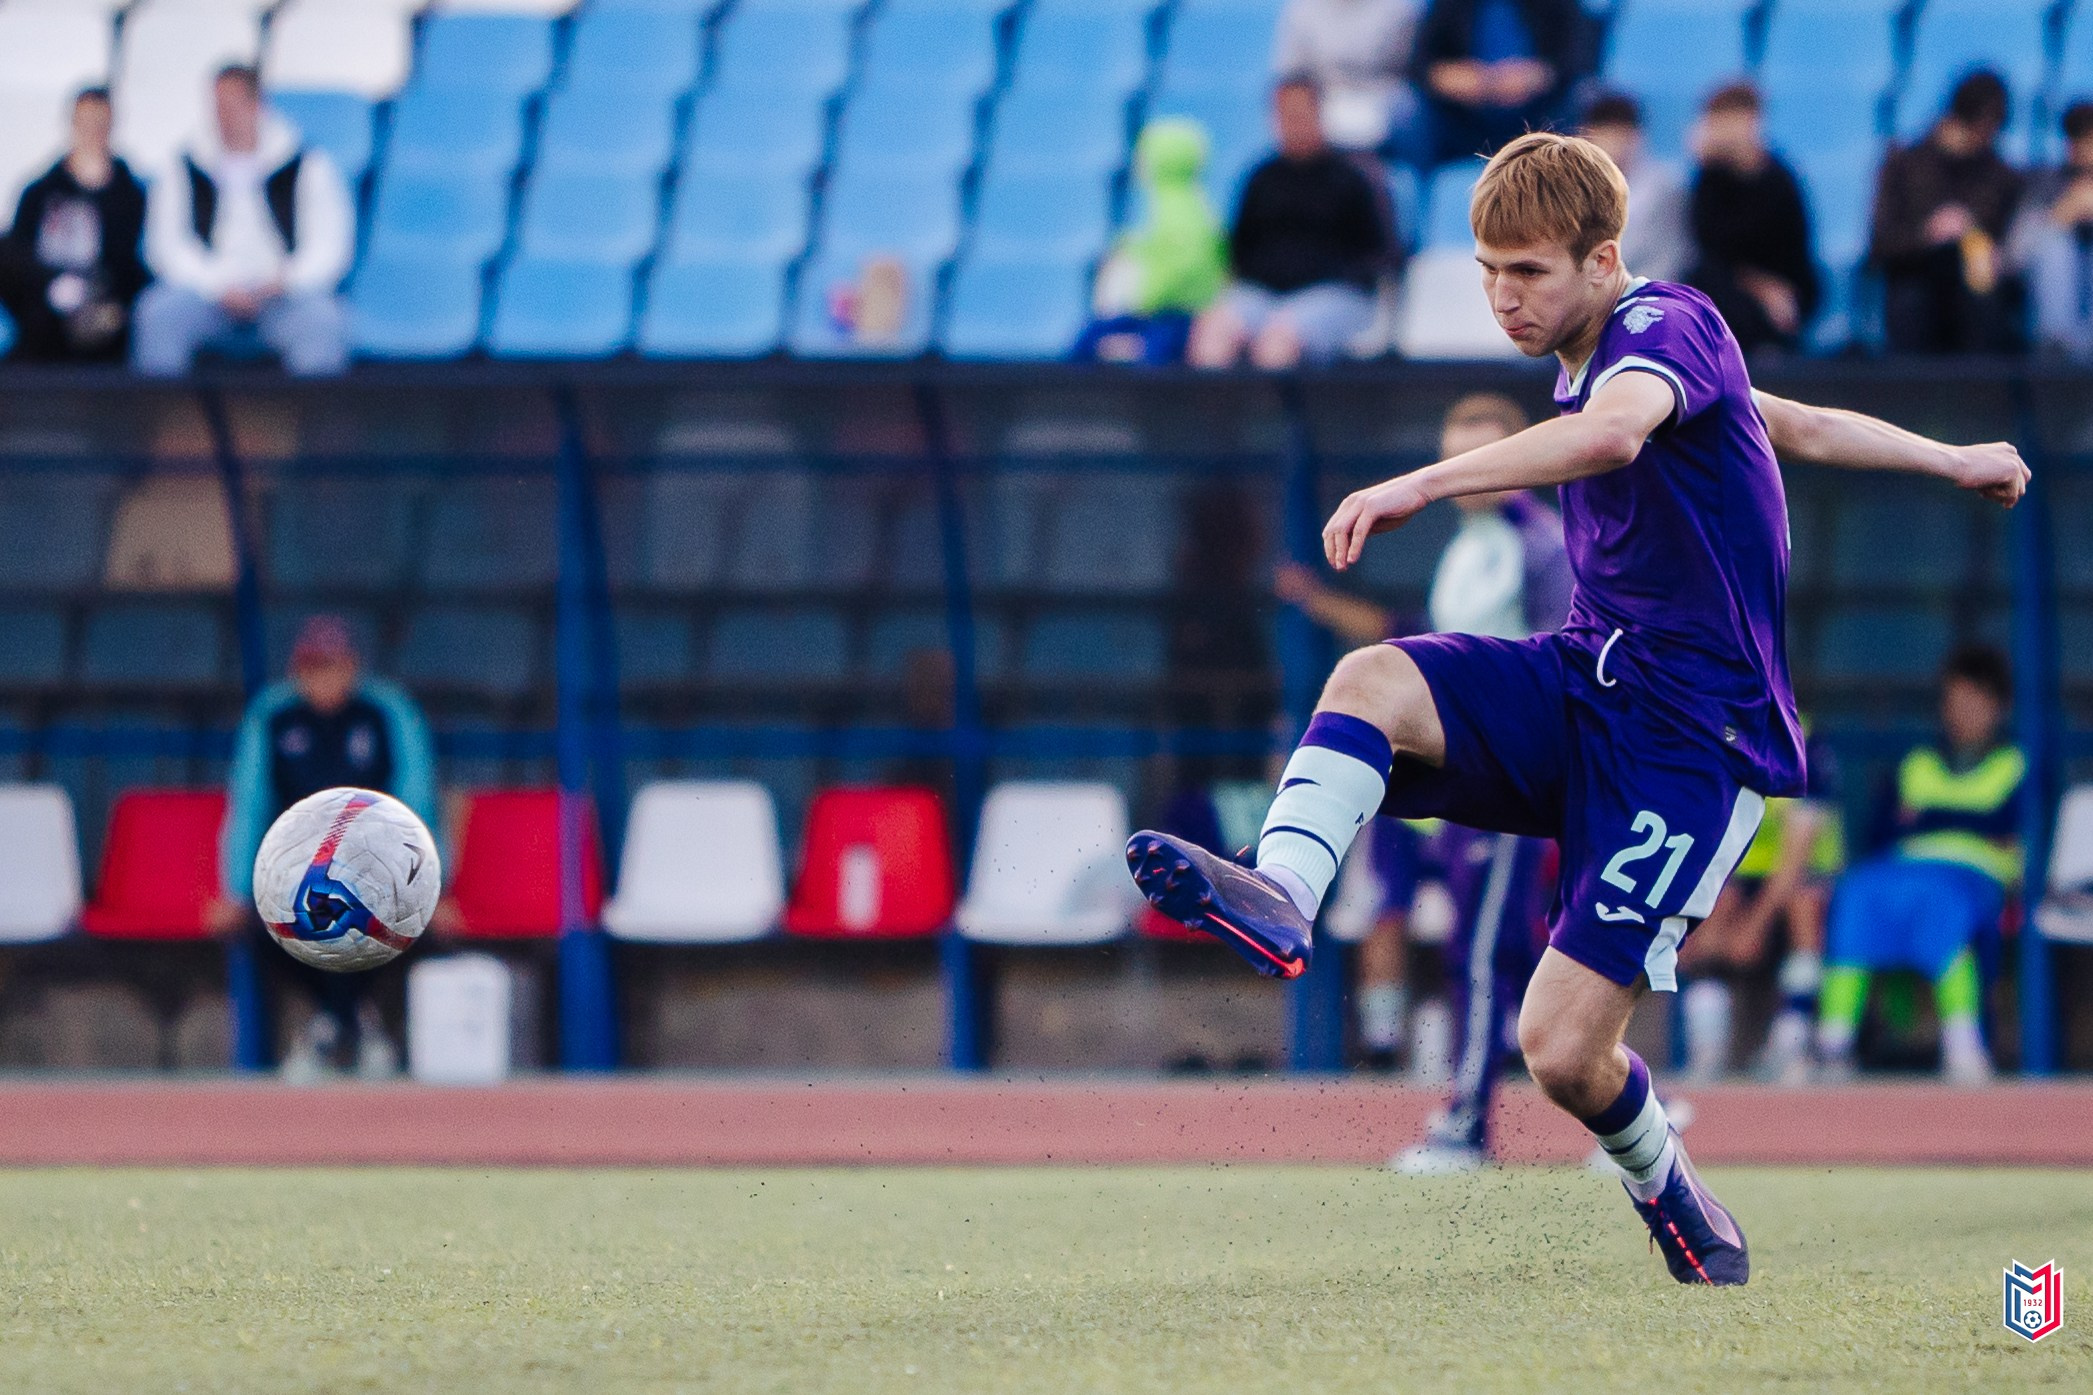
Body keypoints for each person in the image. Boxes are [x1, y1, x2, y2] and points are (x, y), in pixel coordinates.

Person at [1127, 131, 2028, 1285]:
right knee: (1368, 682)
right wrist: (1951, 459)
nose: (1502, 298)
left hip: (1690, 742)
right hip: (1583, 676)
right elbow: (1780, 420)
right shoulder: (1600, 348)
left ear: (1602, 261)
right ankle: (1282, 895)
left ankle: (1663, 1181)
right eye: (1487, 271)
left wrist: (1420, 480)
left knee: (1556, 1053)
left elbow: (1611, 433)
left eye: (1527, 273)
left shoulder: (1665, 324)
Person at [1276, 390, 1571, 1105]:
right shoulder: (1468, 547)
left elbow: (1561, 662)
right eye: (1453, 456)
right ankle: (1630, 1102)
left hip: (1510, 778)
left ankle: (1465, 1121)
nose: (1463, 471)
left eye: (1480, 456)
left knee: (1480, 950)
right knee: (1513, 949)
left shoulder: (1542, 543)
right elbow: (1418, 637)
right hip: (1458, 779)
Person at [212, 616, 439, 1082]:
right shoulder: (274, 717)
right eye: (315, 668)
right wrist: (235, 889)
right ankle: (354, 1023)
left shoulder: (386, 713)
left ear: (354, 667)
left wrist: (436, 878)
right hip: (300, 872)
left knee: (386, 915)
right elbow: (250, 804)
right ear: (298, 671)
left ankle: (329, 1027)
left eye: (334, 667)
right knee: (268, 920)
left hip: (378, 867)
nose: (326, 680)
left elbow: (418, 801)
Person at [1816, 646, 2023, 1085]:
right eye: (1954, 702)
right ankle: (1832, 1043)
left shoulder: (2014, 765)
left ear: (1998, 706)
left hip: (1973, 879)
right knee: (1856, 890)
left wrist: (1929, 816)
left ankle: (1963, 1043)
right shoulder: (1918, 762)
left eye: (1974, 702)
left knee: (1941, 899)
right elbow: (1883, 831)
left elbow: (2011, 831)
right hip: (1901, 871)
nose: (1961, 713)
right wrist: (1968, 820)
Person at [133, 64, 352, 376]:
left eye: (233, 107)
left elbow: (330, 244)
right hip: (208, 296)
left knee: (324, 321)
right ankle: (168, 422)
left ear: (257, 105)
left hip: (281, 297)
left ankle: (312, 423)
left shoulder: (309, 164)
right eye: (219, 107)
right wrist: (217, 284)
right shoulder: (183, 165)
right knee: (157, 314)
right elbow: (165, 244)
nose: (224, 118)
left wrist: (285, 280)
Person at [1674, 723, 1842, 1085]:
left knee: (1804, 905)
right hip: (1736, 881)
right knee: (1708, 913)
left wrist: (1755, 924)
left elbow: (1798, 852)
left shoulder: (1804, 742)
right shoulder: (1714, 731)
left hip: (1798, 880)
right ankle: (1707, 1052)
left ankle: (1792, 1043)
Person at [1189, 78, 1391, 370]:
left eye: (1300, 112)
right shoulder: (1260, 178)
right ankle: (1210, 415)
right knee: (1214, 331)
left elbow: (1378, 253)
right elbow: (1239, 249)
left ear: (1318, 112)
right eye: (1284, 114)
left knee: (1278, 342)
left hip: (1333, 295)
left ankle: (1276, 416)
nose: (1293, 122)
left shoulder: (1354, 178)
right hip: (1262, 294)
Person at [1869, 69, 2024, 355]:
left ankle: (1985, 394)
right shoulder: (1904, 165)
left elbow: (2010, 245)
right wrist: (1930, 233)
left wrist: (1979, 238)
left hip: (1976, 287)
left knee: (1984, 297)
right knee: (1911, 300)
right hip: (1915, 276)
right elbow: (1879, 246)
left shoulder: (2000, 176)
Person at [0, 88, 149, 363]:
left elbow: (135, 264)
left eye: (100, 123)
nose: (92, 132)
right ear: (71, 124)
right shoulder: (38, 193)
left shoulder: (132, 196)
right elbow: (18, 256)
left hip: (106, 310)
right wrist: (53, 285)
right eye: (85, 122)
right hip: (41, 312)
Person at [1078, 118, 1228, 365]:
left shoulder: (1181, 211)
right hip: (1158, 312)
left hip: (1176, 316)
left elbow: (1184, 269)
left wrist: (1144, 300)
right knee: (1091, 336)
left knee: (1145, 356)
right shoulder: (1165, 206)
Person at [1684, 81, 1819, 356]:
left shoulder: (1781, 179)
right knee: (1703, 281)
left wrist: (1775, 290)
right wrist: (1760, 288)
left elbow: (1792, 248)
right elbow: (1711, 245)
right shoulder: (1710, 179)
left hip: (1786, 282)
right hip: (1734, 283)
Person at [1411, 0, 1582, 167]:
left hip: (1542, 115)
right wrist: (1456, 79)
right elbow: (1421, 65)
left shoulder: (1558, 5)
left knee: (1583, 98)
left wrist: (1535, 77)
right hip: (1462, 120)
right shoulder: (1449, 5)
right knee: (1409, 109)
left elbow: (1577, 57)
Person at [1274, 0, 1424, 159]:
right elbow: (1290, 76)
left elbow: (1413, 69)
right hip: (1325, 100)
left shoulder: (1401, 8)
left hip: (1384, 99)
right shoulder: (1302, 9)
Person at [1578, 90, 1690, 285]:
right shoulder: (1572, 187)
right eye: (1607, 133)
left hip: (1649, 288)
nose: (1615, 143)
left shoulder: (1666, 187)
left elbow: (1671, 255)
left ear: (1638, 136)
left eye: (1621, 133)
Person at [2009, 100, 2093, 359]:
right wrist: (2059, 217)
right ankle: (2059, 350)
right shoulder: (2046, 186)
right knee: (2056, 244)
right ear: (2072, 147)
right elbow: (2012, 259)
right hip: (2051, 331)